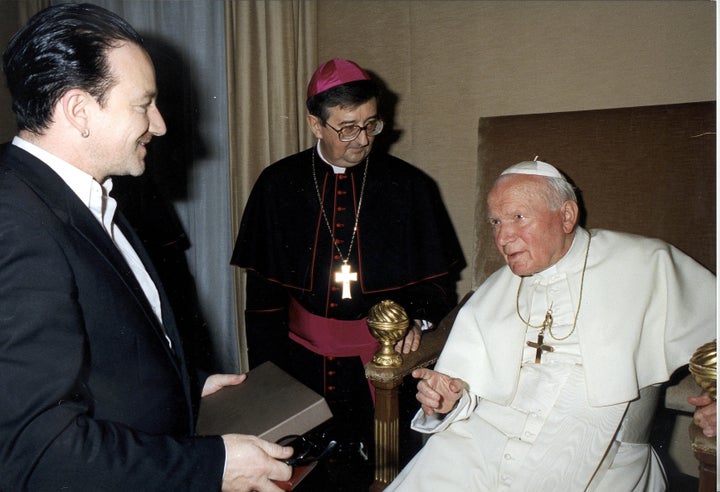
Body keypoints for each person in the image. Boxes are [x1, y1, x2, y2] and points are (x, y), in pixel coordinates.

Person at [0, 4, 292, 491]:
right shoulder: (14, 223)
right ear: (79, 110)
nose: (159, 124)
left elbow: (98, 348)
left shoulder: (79, 193)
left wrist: (188, 386)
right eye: (143, 104)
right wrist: (214, 465)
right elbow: (39, 451)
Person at [386, 160, 716, 491]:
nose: (503, 236)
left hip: (601, 455)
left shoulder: (647, 264)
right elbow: (464, 387)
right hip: (479, 443)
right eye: (496, 222)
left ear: (567, 216)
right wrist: (449, 401)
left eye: (518, 217)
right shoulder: (495, 290)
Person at [231, 58, 465, 488]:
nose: (362, 140)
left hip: (385, 366)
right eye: (347, 128)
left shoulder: (411, 187)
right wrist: (268, 383)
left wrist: (412, 316)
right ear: (315, 124)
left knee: (391, 473)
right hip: (299, 366)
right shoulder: (277, 185)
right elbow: (262, 303)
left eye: (372, 125)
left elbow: (438, 286)